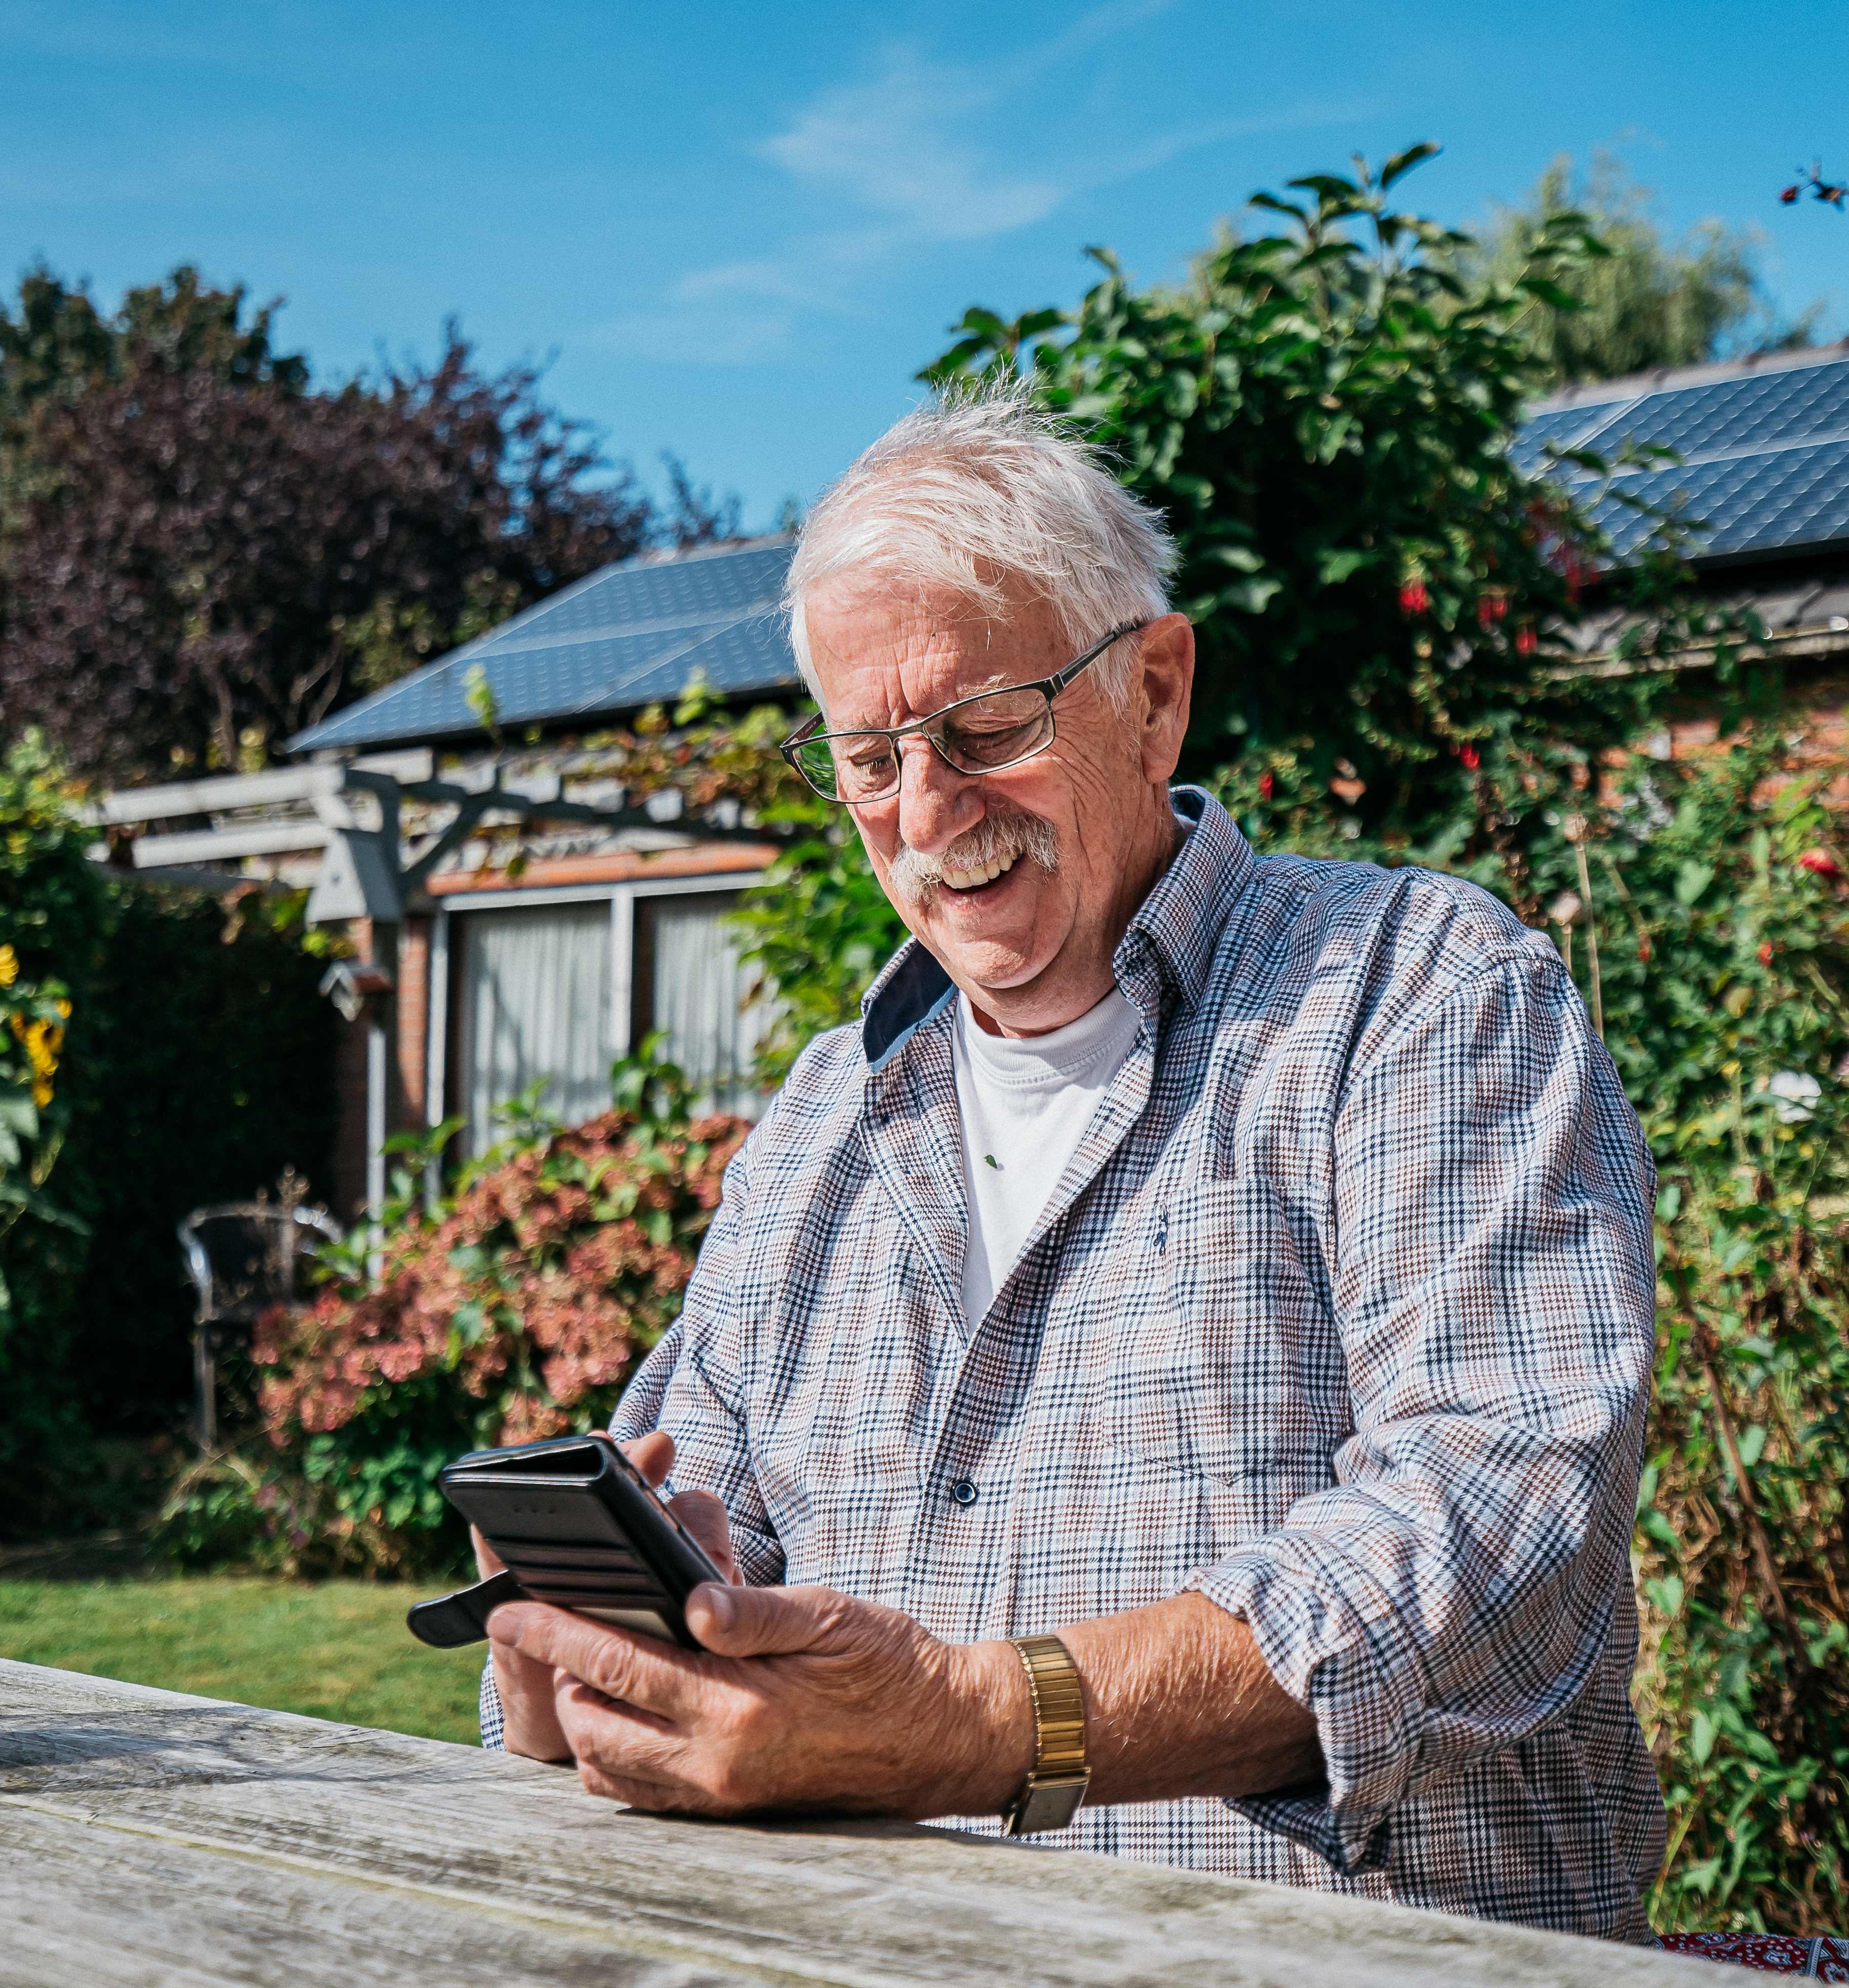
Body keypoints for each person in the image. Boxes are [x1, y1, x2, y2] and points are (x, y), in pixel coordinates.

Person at [479, 385, 1663, 1941]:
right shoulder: (826, 1112)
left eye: (986, 730)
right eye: (868, 757)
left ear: (1156, 692)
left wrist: (979, 1725)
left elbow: (1500, 1517)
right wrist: (604, 1646)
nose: (925, 813)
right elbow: (708, 1501)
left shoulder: (1416, 993)